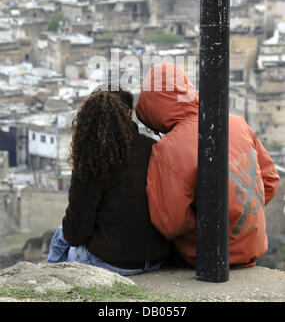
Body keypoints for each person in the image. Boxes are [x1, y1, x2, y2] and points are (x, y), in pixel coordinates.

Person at [135, 63, 280, 268]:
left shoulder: (168, 149)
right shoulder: (235, 122)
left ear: (154, 113)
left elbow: (170, 222)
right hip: (253, 245)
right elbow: (271, 180)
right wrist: (239, 214)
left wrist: (212, 228)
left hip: (208, 253)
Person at [48, 87, 169, 276]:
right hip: (156, 258)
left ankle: (50, 286)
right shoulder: (153, 148)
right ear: (129, 114)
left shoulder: (92, 159)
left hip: (112, 262)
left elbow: (76, 230)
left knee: (60, 238)